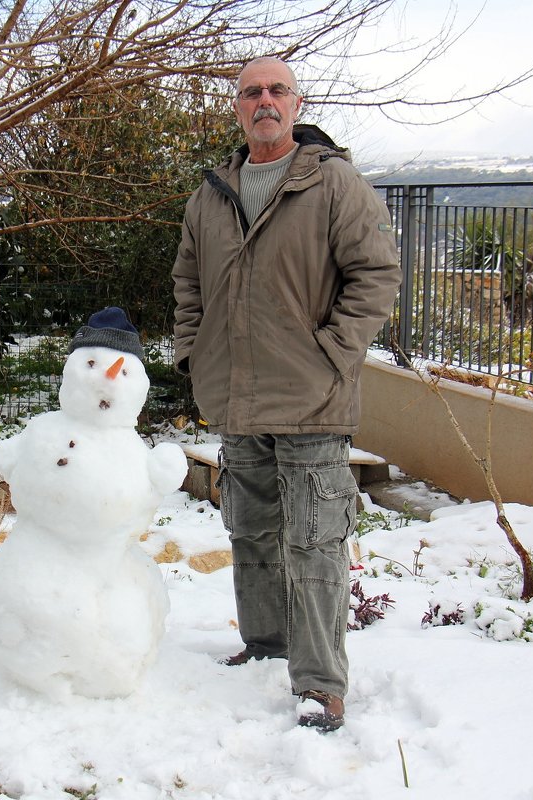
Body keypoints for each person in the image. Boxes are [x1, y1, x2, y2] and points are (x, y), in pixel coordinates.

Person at [171, 57, 401, 732]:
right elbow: (188, 282)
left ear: (297, 105)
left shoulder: (334, 184)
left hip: (310, 399)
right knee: (250, 529)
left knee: (314, 540)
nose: (264, 101)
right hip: (237, 397)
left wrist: (332, 351)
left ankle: (321, 683)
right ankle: (266, 644)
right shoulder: (210, 195)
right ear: (238, 108)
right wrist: (193, 352)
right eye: (251, 92)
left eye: (276, 90)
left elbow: (377, 275)